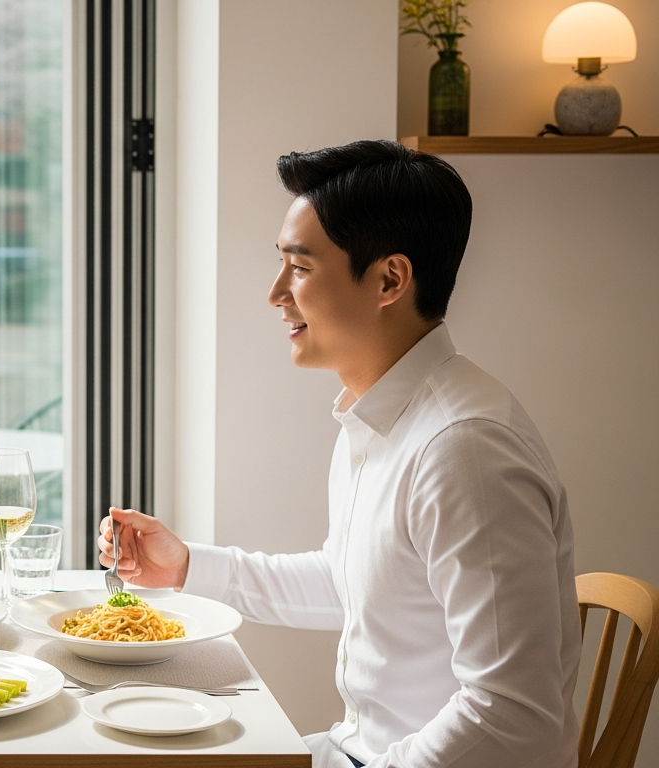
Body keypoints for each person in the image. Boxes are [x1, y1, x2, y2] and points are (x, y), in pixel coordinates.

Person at [99, 141, 580, 768]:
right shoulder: (383, 416)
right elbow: (350, 580)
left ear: (389, 279)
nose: (276, 293)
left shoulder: (465, 449)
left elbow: (515, 715)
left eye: (299, 268)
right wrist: (187, 566)